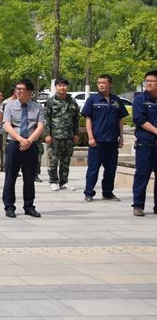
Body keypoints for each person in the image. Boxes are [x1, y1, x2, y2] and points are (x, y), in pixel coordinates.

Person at [2, 78, 45, 218]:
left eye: (22, 89)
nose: (18, 91)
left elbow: (40, 126)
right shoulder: (9, 106)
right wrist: (20, 139)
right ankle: (9, 207)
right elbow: (7, 125)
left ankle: (29, 206)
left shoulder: (37, 107)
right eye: (17, 89)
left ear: (30, 92)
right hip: (14, 144)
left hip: (31, 146)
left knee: (29, 178)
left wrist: (29, 141)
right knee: (10, 177)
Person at [82, 74, 128, 203]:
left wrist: (121, 137)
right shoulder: (93, 99)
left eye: (103, 83)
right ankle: (89, 192)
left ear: (110, 84)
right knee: (93, 169)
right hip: (97, 141)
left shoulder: (116, 100)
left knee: (111, 169)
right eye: (99, 83)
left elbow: (120, 120)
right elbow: (88, 119)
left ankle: (107, 193)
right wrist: (90, 137)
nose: (101, 85)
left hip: (112, 141)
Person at [43, 78, 81, 191]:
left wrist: (76, 133)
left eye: (64, 85)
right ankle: (53, 181)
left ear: (67, 87)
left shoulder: (72, 101)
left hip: (68, 136)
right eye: (59, 85)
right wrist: (47, 134)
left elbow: (76, 119)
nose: (62, 88)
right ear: (56, 87)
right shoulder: (50, 101)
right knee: (53, 160)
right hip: (55, 136)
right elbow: (46, 119)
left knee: (66, 161)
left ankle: (64, 182)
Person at [131, 70, 157, 217]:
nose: (149, 83)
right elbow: (140, 120)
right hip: (145, 144)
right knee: (142, 175)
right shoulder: (140, 99)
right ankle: (138, 205)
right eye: (147, 81)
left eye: (152, 81)